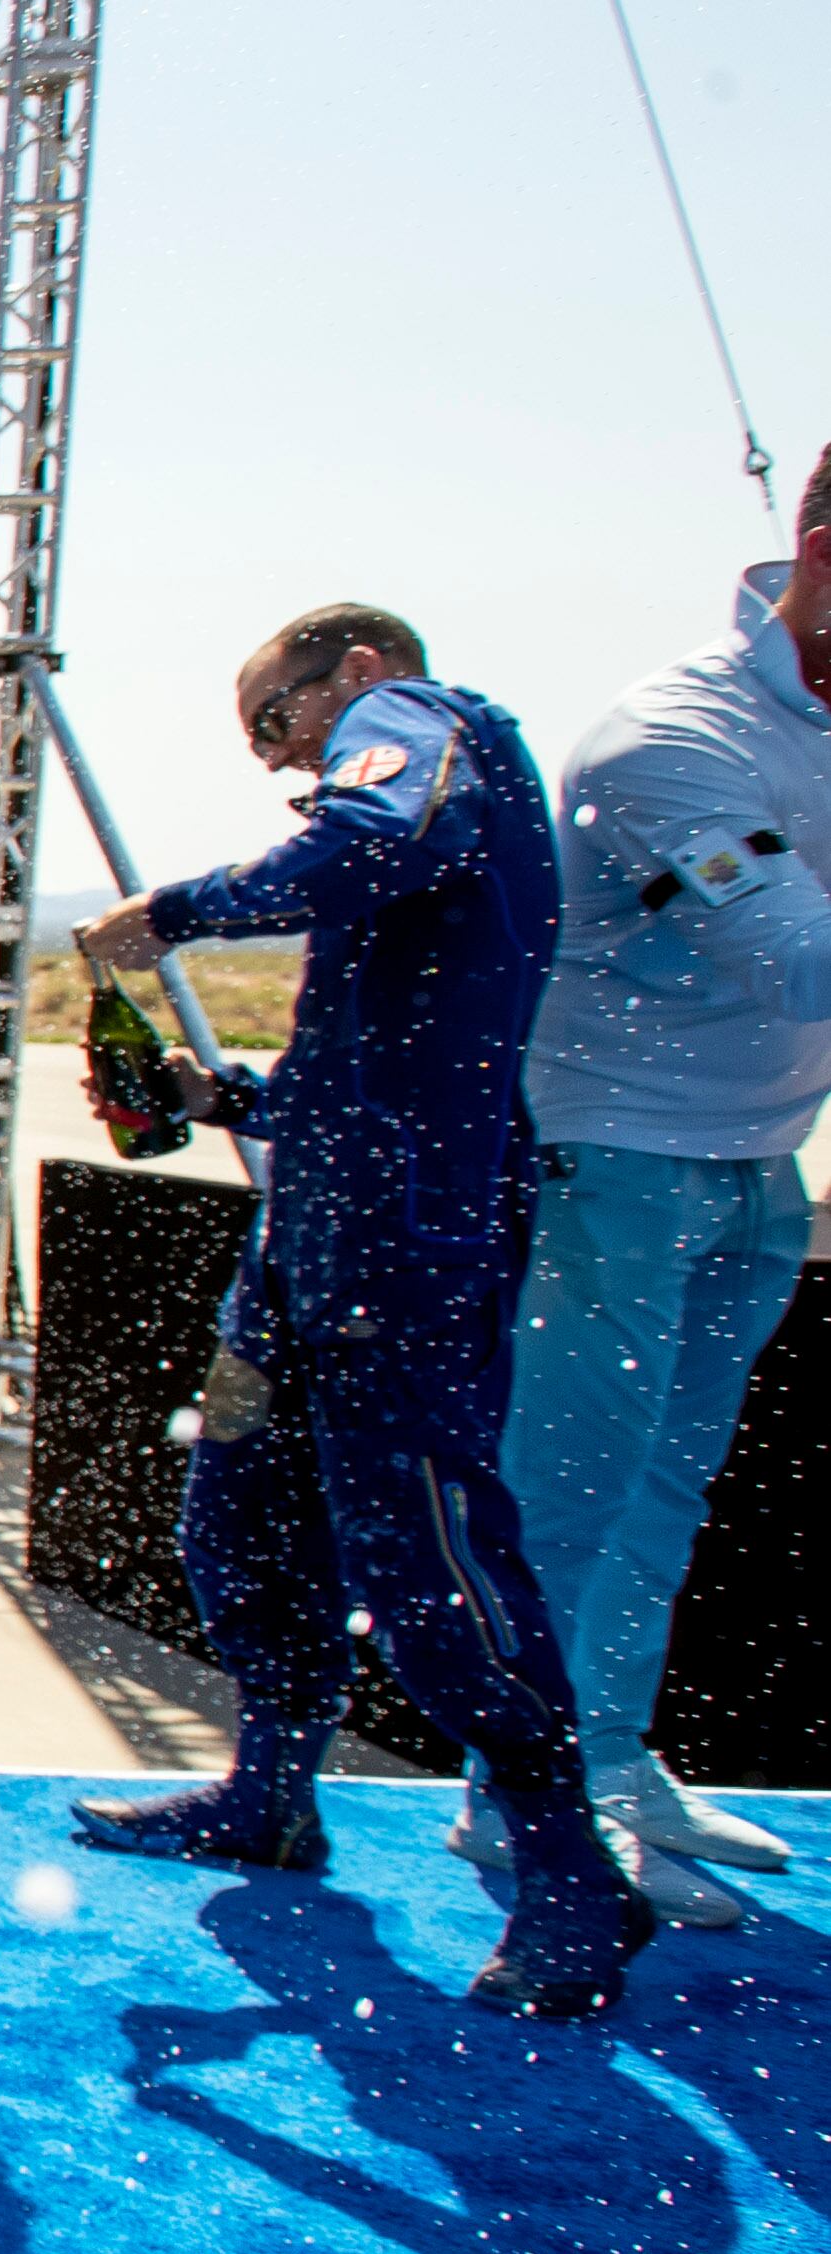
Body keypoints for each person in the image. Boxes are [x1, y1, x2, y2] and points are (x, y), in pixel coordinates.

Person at [66, 603, 649, 2019]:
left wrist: (175, 915)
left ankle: (566, 1871)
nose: (278, 763)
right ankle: (268, 1788)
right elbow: (379, 1048)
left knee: (426, 1561)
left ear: (359, 674)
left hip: (401, 1247)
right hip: (313, 1235)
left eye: (275, 723)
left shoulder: (427, 727)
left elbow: (380, 841)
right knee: (239, 1509)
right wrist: (220, 1100)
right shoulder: (411, 785)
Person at [481, 448, 831, 1912]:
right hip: (611, 1160)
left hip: (754, 1161)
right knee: (567, 1490)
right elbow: (799, 954)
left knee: (664, 1490)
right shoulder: (667, 742)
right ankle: (519, 1802)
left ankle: (605, 1753)